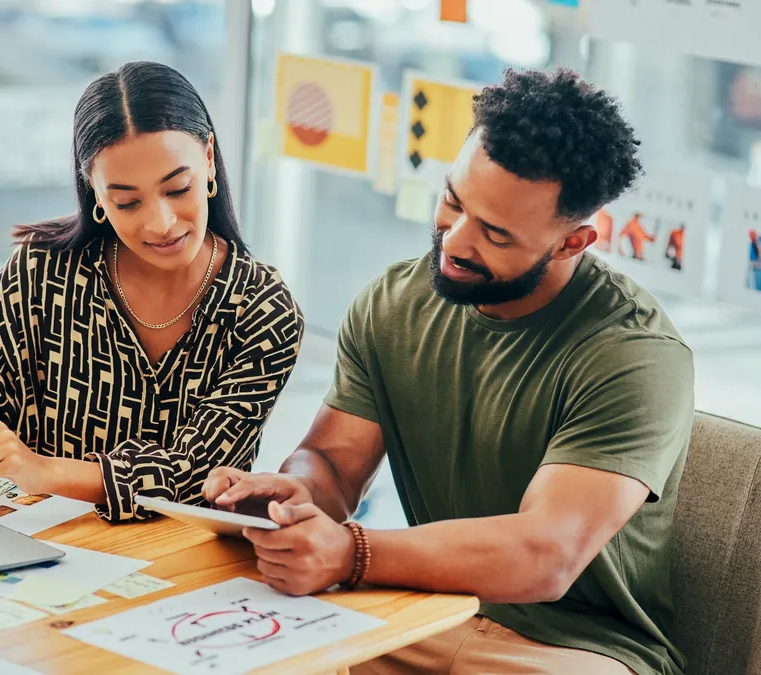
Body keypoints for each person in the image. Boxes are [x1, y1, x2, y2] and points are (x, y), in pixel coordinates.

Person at [204, 68, 693, 675]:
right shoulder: (393, 304)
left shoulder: (633, 353)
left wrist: (351, 553)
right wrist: (297, 495)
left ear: (573, 243)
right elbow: (333, 465)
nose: (455, 241)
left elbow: (547, 554)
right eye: (453, 200)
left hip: (576, 650)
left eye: (494, 233)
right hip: (426, 612)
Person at [0, 61, 305, 522]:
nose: (161, 223)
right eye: (127, 202)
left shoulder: (262, 310)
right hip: (34, 543)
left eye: (178, 188)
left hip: (180, 570)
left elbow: (197, 477)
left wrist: (40, 470)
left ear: (209, 158)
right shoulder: (40, 272)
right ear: (94, 193)